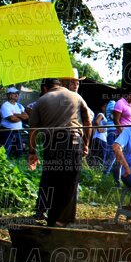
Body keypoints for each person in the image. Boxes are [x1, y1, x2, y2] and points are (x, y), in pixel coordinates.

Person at [28, 78, 92, 227]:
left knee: (52, 180)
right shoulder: (76, 96)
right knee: (70, 182)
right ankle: (62, 220)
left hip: (52, 143)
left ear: (44, 88)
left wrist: (32, 152)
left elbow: (33, 130)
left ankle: (51, 218)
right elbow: (88, 122)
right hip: (74, 141)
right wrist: (86, 144)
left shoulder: (41, 101)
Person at [0, 86, 28, 157]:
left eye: (17, 93)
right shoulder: (5, 106)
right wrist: (21, 116)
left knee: (20, 149)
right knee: (6, 150)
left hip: (18, 131)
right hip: (8, 131)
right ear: (8, 95)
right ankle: (4, 164)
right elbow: (12, 119)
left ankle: (18, 163)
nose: (16, 95)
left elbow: (26, 117)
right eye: (14, 93)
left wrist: (17, 115)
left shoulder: (19, 106)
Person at [89, 101, 109, 168]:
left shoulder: (105, 116)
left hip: (98, 138)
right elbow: (96, 122)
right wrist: (99, 129)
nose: (106, 108)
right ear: (102, 107)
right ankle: (98, 172)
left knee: (95, 155)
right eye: (104, 106)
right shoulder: (101, 114)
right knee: (101, 157)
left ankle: (94, 171)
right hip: (100, 138)